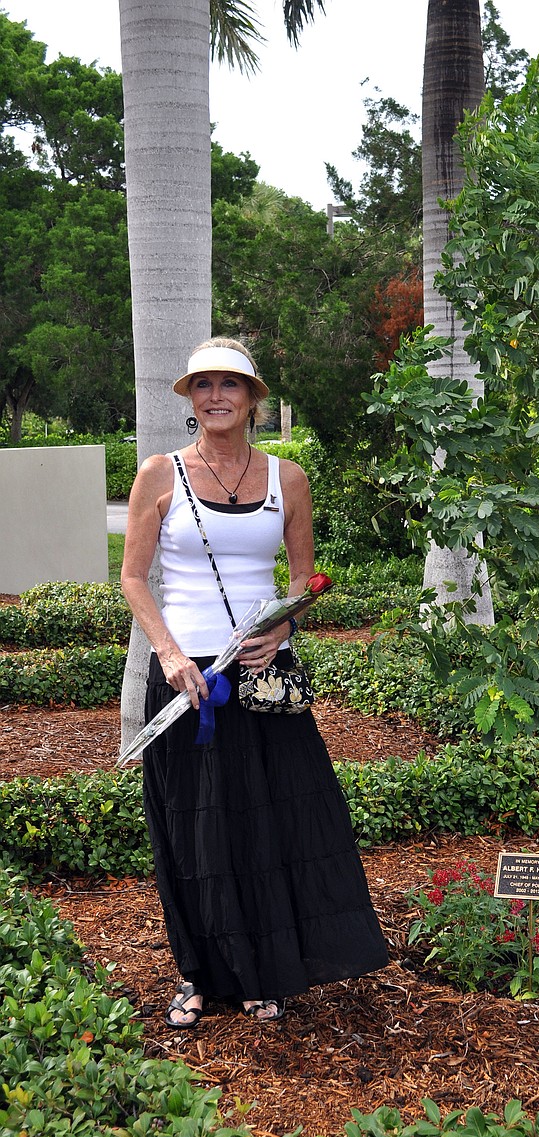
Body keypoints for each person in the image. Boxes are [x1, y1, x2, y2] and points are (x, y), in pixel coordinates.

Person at [121, 337, 388, 1028]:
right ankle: (198, 975)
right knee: (193, 829)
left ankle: (264, 971)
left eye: (229, 385)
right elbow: (132, 577)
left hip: (262, 678)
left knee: (269, 823)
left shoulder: (286, 479)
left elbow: (302, 579)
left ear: (252, 398)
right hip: (188, 680)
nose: (215, 396)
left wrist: (285, 630)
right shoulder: (159, 473)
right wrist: (171, 654)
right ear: (189, 397)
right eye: (202, 385)